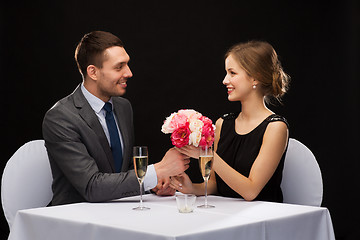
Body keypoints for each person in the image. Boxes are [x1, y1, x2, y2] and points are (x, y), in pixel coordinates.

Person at [42, 31, 189, 206]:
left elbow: (119, 171)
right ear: (93, 72)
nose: (129, 73)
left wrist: (151, 184)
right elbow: (91, 186)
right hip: (73, 219)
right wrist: (159, 170)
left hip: (117, 212)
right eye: (119, 67)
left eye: (127, 64)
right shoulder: (60, 118)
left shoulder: (123, 107)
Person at [171, 41, 290, 202]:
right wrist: (191, 188)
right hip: (228, 212)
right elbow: (214, 184)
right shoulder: (223, 123)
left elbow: (250, 191)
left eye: (232, 73)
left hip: (262, 218)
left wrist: (207, 155)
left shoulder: (275, 127)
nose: (225, 80)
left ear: (255, 78)